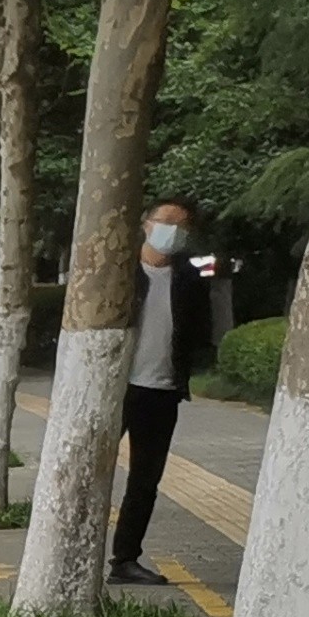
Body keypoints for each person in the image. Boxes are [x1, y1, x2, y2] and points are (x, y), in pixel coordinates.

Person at [109, 197, 221, 588]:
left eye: (182, 226)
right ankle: (76, 548)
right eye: (167, 222)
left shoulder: (189, 279)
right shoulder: (120, 272)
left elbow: (200, 332)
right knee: (92, 472)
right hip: (115, 390)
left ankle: (125, 559)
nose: (174, 232)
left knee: (145, 480)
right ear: (146, 223)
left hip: (161, 392)